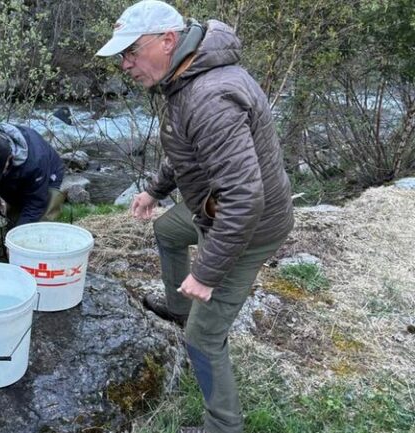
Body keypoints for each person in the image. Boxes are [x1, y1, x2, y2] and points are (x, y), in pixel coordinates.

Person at [96, 2, 295, 433]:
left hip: (250, 225)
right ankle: (178, 308)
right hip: (217, 208)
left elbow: (244, 198)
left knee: (203, 340)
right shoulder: (186, 77)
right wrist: (154, 190)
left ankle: (222, 426)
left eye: (131, 51)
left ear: (168, 40)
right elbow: (187, 151)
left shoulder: (209, 97)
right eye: (121, 55)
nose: (125, 64)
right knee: (168, 230)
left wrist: (205, 274)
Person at [0, 123, 66, 226]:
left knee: (40, 221)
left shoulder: (36, 163)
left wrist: (19, 232)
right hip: (15, 174)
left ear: (10, 158)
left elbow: (35, 204)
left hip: (48, 174)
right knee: (14, 216)